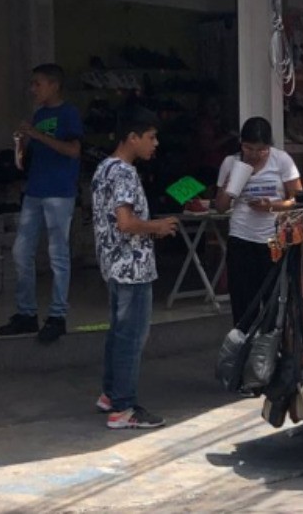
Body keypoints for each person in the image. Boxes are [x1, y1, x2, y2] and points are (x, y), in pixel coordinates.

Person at [91, 109, 179, 429]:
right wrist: (157, 226)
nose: (155, 144)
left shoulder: (103, 169)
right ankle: (124, 407)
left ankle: (110, 394)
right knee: (131, 337)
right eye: (150, 137)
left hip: (113, 264)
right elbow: (126, 222)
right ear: (132, 138)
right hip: (132, 267)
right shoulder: (125, 173)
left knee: (118, 333)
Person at [0, 64, 83, 343]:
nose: (32, 89)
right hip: (35, 190)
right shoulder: (39, 115)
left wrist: (37, 135)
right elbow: (26, 161)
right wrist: (22, 144)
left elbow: (73, 150)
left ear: (54, 85)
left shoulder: (68, 113)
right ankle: (27, 313)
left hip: (59, 192)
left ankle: (57, 315)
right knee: (21, 252)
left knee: (58, 254)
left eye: (38, 83)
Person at [214, 117, 303, 325]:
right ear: (241, 144)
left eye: (261, 150)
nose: (254, 154)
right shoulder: (231, 162)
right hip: (241, 237)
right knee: (243, 303)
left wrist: (272, 206)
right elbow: (220, 207)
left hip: (272, 240)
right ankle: (244, 349)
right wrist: (231, 185)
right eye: (249, 148)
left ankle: (272, 350)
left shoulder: (281, 160)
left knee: (273, 302)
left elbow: (299, 200)